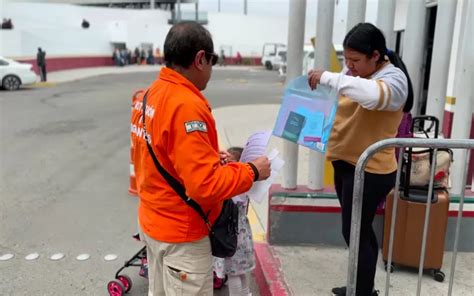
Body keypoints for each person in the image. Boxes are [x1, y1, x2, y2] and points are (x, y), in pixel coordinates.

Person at [130, 21, 271, 296]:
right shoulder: (186, 106)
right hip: (181, 234)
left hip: (152, 222)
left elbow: (155, 153)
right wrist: (252, 171)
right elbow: (204, 187)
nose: (211, 69)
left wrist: (205, 155)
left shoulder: (148, 96)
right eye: (212, 60)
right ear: (199, 59)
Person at [308, 22, 413, 296]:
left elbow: (371, 98)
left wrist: (328, 76)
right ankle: (358, 286)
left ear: (376, 56)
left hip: (371, 170)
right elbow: (347, 94)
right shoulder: (357, 72)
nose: (349, 66)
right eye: (346, 59)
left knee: (357, 232)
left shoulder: (394, 80)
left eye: (354, 60)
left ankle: (364, 291)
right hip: (346, 163)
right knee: (354, 232)